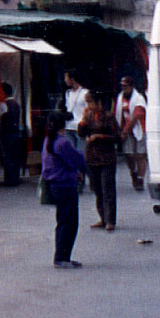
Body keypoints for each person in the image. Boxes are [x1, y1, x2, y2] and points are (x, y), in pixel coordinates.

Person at [41, 110, 87, 268]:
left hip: (55, 184)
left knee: (62, 221)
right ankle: (62, 258)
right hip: (66, 185)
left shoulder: (48, 140)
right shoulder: (63, 142)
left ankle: (62, 256)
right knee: (70, 222)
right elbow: (76, 159)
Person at [78, 91, 121, 231]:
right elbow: (81, 133)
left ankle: (110, 220)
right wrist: (83, 121)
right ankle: (102, 217)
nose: (89, 106)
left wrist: (100, 136)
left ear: (99, 103)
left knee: (108, 189)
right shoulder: (88, 116)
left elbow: (117, 137)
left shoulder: (108, 117)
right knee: (97, 189)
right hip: (92, 158)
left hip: (106, 158)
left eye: (91, 102)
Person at [115, 76, 147, 191]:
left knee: (140, 154)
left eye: (126, 86)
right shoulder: (120, 97)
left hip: (139, 129)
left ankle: (140, 178)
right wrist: (120, 130)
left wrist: (125, 131)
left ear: (131, 86)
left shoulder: (138, 98)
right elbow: (118, 114)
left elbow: (136, 116)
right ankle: (133, 172)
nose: (124, 88)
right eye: (122, 86)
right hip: (125, 130)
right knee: (129, 154)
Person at [0, 83, 23, 187]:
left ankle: (9, 179)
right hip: (15, 132)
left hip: (7, 133)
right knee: (14, 156)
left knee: (7, 156)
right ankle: (15, 178)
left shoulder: (5, 105)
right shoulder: (16, 104)